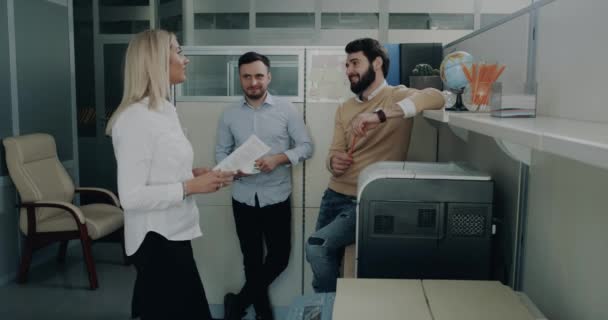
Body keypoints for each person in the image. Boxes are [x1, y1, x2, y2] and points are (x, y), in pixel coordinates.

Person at [106, 29, 234, 320]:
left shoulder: (165, 110)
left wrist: (196, 175)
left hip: (174, 232)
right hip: (156, 241)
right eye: (178, 51)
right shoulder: (135, 119)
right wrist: (190, 186)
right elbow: (131, 196)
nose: (185, 59)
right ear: (154, 60)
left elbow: (160, 170)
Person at [305, 38, 445, 293]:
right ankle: (330, 306)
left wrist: (379, 115)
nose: (349, 70)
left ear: (377, 62)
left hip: (366, 199)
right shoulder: (345, 108)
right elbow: (334, 152)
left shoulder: (396, 95)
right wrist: (333, 162)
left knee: (316, 246)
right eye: (347, 64)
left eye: (355, 62)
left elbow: (436, 97)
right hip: (334, 195)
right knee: (325, 258)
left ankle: (331, 306)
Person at [216, 52, 313, 320]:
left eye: (259, 75)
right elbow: (220, 153)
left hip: (277, 196)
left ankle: (237, 303)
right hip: (243, 197)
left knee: (279, 258)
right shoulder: (229, 115)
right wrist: (233, 170)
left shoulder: (286, 109)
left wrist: (279, 159)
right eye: (247, 76)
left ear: (268, 77)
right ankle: (263, 314)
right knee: (252, 260)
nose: (253, 82)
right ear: (240, 79)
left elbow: (306, 147)